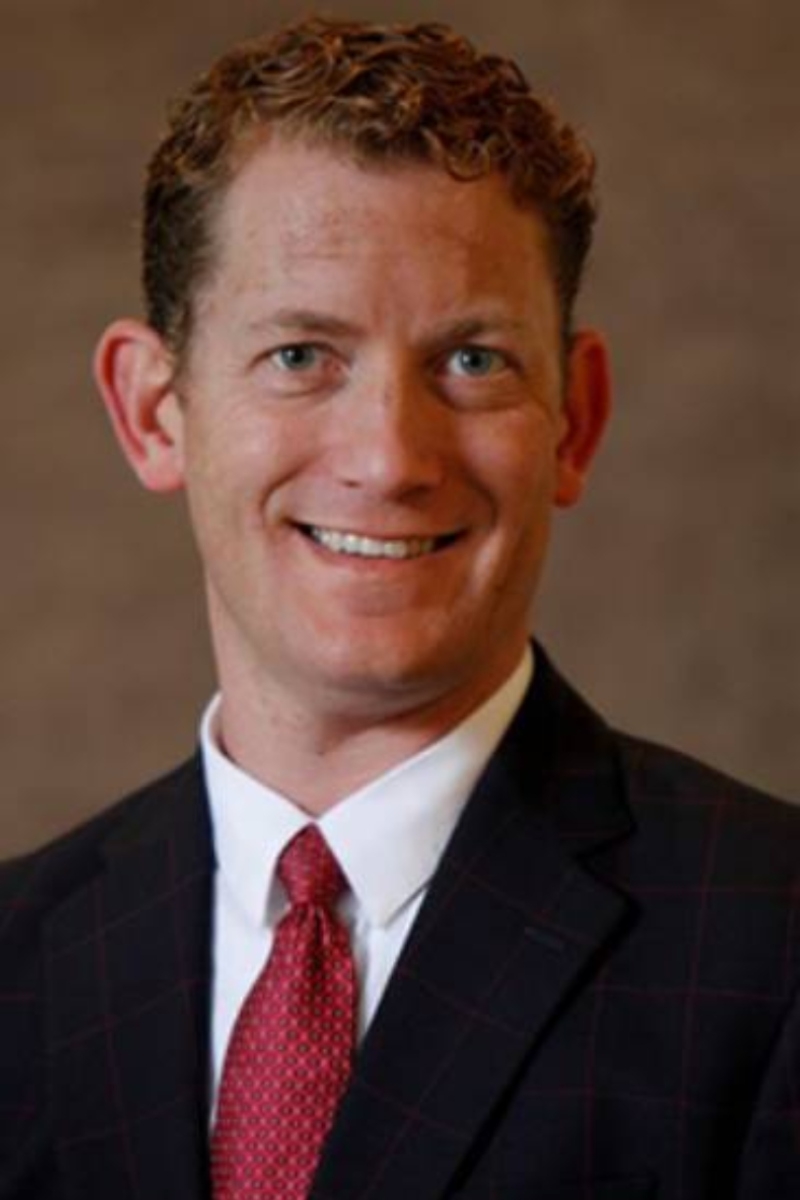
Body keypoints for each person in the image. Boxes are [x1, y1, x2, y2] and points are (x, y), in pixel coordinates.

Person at [1, 15, 798, 1200]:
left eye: (471, 360)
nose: (387, 458)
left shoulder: (771, 947)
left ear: (572, 421)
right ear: (154, 412)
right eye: (300, 356)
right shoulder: (16, 964)